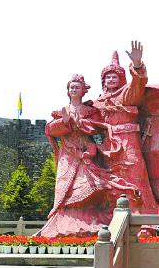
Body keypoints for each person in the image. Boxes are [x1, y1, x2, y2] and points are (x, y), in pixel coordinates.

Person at [37, 74, 137, 237]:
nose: (74, 89)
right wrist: (64, 122)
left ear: (83, 91)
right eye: (71, 87)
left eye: (77, 87)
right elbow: (50, 130)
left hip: (86, 152)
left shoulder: (91, 111)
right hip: (69, 154)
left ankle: (87, 222)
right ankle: (63, 224)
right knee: (65, 190)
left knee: (90, 186)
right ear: (68, 90)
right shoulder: (61, 111)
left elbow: (97, 129)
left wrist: (80, 124)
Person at [93, 41, 158, 212]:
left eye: (114, 76)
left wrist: (137, 65)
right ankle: (111, 214)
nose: (111, 79)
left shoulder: (126, 95)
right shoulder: (97, 103)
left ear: (121, 79)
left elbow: (138, 83)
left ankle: (145, 214)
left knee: (136, 173)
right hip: (107, 147)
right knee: (112, 180)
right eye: (108, 77)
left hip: (128, 142)